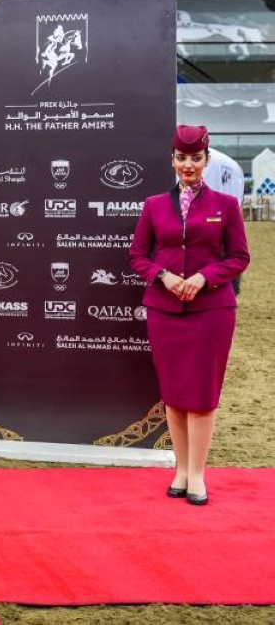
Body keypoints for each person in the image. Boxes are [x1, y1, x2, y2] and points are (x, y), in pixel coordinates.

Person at [129, 125, 249, 507]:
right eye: (182, 158)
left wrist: (204, 277)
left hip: (211, 313)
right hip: (164, 312)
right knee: (175, 395)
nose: (188, 165)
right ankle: (180, 469)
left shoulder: (225, 206)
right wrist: (162, 276)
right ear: (173, 159)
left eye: (196, 159)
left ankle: (197, 473)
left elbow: (239, 258)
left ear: (206, 160)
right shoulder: (153, 206)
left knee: (201, 396)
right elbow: (137, 256)